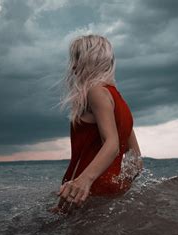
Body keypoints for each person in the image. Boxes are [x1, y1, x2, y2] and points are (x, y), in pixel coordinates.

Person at [49, 34, 143, 215]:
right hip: (106, 193)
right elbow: (137, 161)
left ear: (89, 60)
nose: (74, 66)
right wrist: (115, 187)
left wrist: (84, 181)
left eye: (76, 59)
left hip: (84, 194)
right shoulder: (119, 100)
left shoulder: (96, 92)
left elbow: (112, 144)